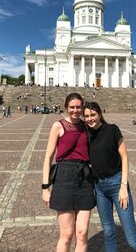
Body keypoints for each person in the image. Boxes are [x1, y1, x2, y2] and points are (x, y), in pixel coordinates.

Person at [83, 102, 136, 252]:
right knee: (108, 232)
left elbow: (124, 158)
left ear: (99, 114)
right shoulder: (88, 135)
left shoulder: (112, 130)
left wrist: (123, 187)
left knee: (132, 239)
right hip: (99, 189)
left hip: (117, 184)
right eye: (86, 116)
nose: (90, 118)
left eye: (93, 115)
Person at [42, 93, 95, 252]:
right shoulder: (58, 126)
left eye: (79, 107)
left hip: (84, 178)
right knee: (67, 234)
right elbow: (48, 157)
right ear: (66, 108)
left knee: (82, 232)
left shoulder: (86, 125)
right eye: (72, 107)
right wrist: (45, 187)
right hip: (64, 177)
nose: (75, 110)